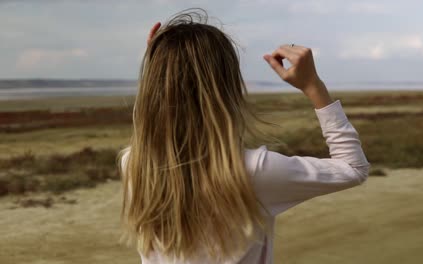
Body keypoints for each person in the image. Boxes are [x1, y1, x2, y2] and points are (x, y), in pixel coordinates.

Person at [118, 8, 370, 264]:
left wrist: (159, 67)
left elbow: (155, 123)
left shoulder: (136, 166)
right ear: (228, 89)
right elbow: (353, 168)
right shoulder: (253, 172)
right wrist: (313, 86)